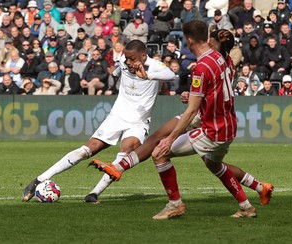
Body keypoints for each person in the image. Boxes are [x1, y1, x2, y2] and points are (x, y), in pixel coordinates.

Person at [89, 27, 273, 218]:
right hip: (225, 123)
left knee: (160, 149)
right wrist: (194, 95)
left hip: (208, 124)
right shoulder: (224, 61)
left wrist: (172, 137)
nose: (208, 41)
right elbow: (214, 90)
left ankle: (170, 201)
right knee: (214, 164)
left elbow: (192, 108)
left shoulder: (205, 65)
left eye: (212, 39)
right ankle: (255, 194)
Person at [22, 40, 176, 202]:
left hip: (139, 122)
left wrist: (148, 76)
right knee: (87, 150)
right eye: (126, 58)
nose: (128, 62)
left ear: (143, 56)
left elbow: (171, 75)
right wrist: (114, 71)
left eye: (132, 59)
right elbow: (117, 70)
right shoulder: (124, 62)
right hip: (117, 116)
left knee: (126, 152)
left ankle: (94, 193)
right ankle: (39, 180)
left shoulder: (155, 66)